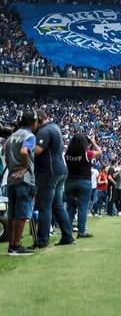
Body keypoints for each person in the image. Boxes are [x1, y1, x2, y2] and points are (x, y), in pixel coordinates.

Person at [33, 108, 75, 248]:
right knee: (57, 205)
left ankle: (43, 239)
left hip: (49, 172)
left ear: (38, 120)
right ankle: (67, 235)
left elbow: (37, 150)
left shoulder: (44, 131)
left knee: (45, 206)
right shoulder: (54, 127)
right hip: (60, 170)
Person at [2, 110, 39, 256]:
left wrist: (12, 167)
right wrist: (24, 166)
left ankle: (11, 245)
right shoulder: (30, 136)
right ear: (33, 122)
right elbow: (25, 152)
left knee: (12, 214)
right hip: (24, 179)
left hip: (12, 178)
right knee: (22, 214)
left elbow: (5, 153)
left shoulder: (12, 137)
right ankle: (16, 246)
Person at [64, 132, 101, 239]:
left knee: (70, 207)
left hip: (70, 181)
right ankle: (81, 231)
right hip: (84, 181)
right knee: (83, 207)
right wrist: (93, 142)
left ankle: (67, 231)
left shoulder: (67, 154)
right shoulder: (87, 154)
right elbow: (99, 152)